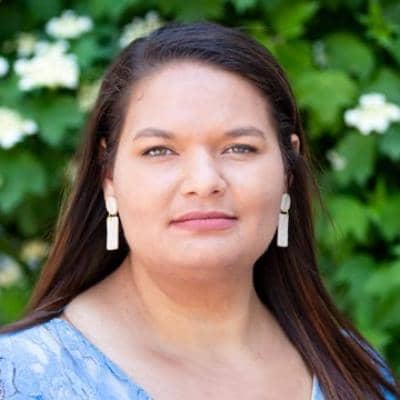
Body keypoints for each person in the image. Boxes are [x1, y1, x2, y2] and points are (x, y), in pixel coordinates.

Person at [0, 21, 398, 400]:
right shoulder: (20, 376)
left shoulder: (355, 371)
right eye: (159, 151)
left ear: (287, 172)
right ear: (108, 177)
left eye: (239, 148)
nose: (204, 181)